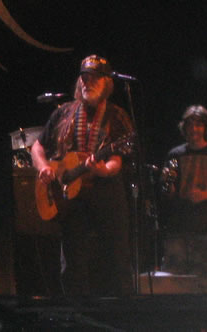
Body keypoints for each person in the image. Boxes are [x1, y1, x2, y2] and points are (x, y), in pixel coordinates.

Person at [30, 55, 134, 296]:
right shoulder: (64, 112)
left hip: (106, 193)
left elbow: (116, 159)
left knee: (116, 260)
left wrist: (102, 169)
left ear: (107, 83)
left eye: (94, 79)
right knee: (73, 264)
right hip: (70, 198)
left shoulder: (117, 116)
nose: (87, 83)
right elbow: (37, 147)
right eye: (84, 78)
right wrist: (44, 167)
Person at [160, 105, 207, 293]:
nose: (194, 129)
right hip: (178, 226)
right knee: (173, 279)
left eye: (199, 125)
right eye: (190, 125)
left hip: (205, 227)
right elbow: (169, 192)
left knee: (202, 280)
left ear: (206, 128)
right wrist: (168, 186)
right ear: (185, 128)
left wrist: (204, 195)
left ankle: (201, 321)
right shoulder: (175, 154)